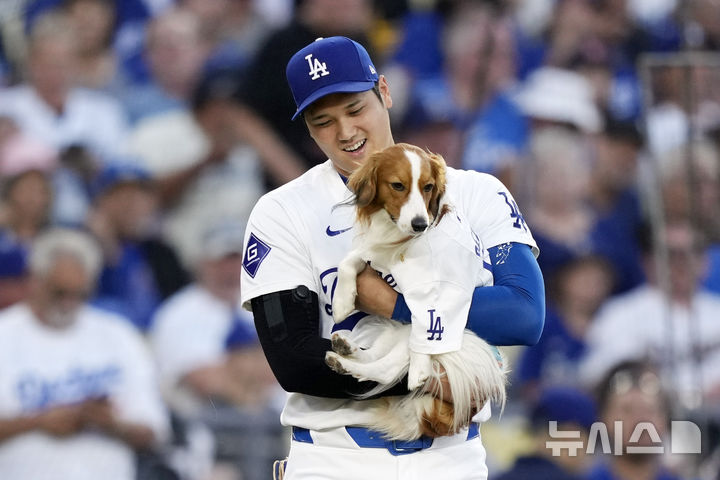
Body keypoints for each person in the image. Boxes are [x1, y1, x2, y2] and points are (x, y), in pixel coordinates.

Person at [240, 36, 545, 480]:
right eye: (323, 120)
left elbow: (524, 314)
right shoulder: (283, 211)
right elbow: (294, 361)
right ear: (307, 127)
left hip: (451, 458)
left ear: (384, 91)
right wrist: (429, 376)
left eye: (355, 109)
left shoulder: (475, 192)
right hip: (335, 457)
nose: (345, 132)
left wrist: (396, 306)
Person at [0, 228, 169, 480]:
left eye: (80, 293)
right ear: (34, 280)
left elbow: (155, 432)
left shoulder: (118, 334)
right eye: (60, 292)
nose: (69, 302)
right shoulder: (5, 334)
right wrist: (38, 422)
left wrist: (108, 422)